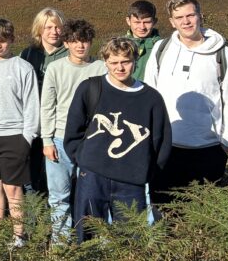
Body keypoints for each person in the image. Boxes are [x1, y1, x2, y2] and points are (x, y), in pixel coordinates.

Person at [65, 38, 172, 242]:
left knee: (131, 240)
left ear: (135, 61)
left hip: (132, 181)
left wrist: (145, 171)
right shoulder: (91, 89)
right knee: (87, 236)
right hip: (93, 176)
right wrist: (84, 160)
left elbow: (162, 142)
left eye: (126, 61)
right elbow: (73, 130)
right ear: (105, 61)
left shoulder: (151, 98)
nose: (120, 67)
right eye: (114, 62)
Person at [144, 0, 228, 207]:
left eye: (190, 15)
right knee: (163, 210)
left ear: (200, 16)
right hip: (166, 147)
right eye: (179, 17)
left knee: (203, 214)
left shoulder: (222, 54)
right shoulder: (161, 50)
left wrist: (226, 143)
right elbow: (149, 96)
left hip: (208, 148)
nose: (186, 22)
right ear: (171, 22)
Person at [0, 19, 40, 248]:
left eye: (3, 41)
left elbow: (32, 105)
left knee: (13, 187)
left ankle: (19, 234)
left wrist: (27, 137)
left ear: (11, 40)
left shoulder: (23, 68)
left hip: (14, 135)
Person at [40, 19, 105, 243]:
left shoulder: (101, 68)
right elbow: (47, 106)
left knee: (91, 195)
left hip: (91, 142)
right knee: (59, 197)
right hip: (59, 139)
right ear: (66, 43)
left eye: (85, 41)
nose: (80, 46)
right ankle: (61, 247)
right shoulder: (55, 69)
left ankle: (90, 242)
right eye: (75, 41)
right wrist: (46, 140)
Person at [19, 7, 67, 195]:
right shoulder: (28, 54)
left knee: (58, 173)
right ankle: (34, 219)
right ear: (39, 29)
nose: (54, 32)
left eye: (57, 27)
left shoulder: (68, 53)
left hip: (58, 123)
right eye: (48, 27)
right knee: (31, 173)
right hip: (33, 122)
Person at [125, 0, 161, 81]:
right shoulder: (117, 47)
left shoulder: (163, 47)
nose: (142, 27)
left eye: (147, 22)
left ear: (154, 21)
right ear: (128, 21)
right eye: (137, 22)